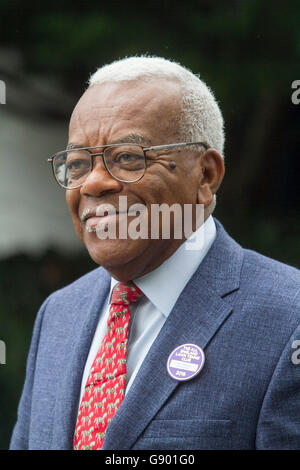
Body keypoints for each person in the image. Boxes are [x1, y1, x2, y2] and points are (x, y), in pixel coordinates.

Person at [10, 56, 300, 450]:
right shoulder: (59, 315)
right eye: (77, 164)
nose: (93, 184)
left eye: (127, 158)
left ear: (206, 175)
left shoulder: (288, 320)